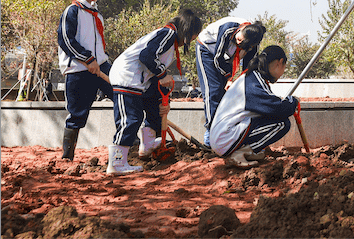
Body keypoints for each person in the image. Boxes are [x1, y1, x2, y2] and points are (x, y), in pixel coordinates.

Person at [107, 9, 202, 175]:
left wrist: (164, 101)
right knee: (130, 119)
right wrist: (163, 74)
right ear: (188, 30)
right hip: (127, 76)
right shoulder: (168, 34)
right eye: (194, 35)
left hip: (140, 80)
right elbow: (147, 56)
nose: (193, 39)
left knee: (156, 104)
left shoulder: (169, 40)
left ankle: (148, 143)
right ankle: (116, 163)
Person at [210, 45, 299, 168]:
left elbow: (269, 104)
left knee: (271, 120)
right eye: (284, 67)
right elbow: (277, 109)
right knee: (282, 124)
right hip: (225, 138)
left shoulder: (252, 78)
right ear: (280, 63)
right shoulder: (253, 83)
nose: (282, 73)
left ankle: (247, 151)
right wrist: (293, 101)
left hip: (223, 136)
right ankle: (241, 153)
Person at [56, 0, 114, 161]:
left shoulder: (97, 14)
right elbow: (65, 39)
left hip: (101, 66)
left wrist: (99, 60)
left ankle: (130, 144)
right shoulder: (71, 11)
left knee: (122, 97)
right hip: (79, 70)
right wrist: (87, 59)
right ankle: (67, 156)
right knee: (77, 113)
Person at [194, 19, 266, 148]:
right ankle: (211, 134)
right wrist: (229, 78)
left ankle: (226, 132)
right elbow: (218, 59)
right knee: (214, 91)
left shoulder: (253, 45)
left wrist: (240, 82)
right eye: (239, 39)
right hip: (207, 50)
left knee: (226, 94)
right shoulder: (228, 29)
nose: (238, 42)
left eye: (242, 44)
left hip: (225, 57)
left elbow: (249, 67)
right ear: (241, 30)